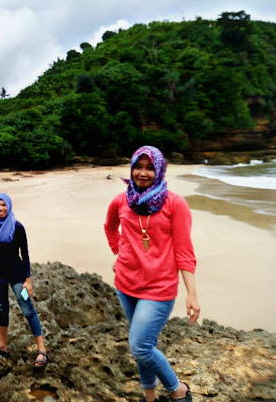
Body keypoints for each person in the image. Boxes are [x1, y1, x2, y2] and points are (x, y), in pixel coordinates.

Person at [104, 146, 199, 402]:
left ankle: (178, 390)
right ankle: (149, 396)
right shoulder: (121, 201)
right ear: (131, 168)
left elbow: (184, 251)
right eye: (138, 166)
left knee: (140, 346)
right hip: (125, 284)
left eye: (150, 168)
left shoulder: (175, 204)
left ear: (159, 171)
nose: (142, 173)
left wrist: (191, 293)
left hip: (159, 289)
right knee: (142, 346)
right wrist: (118, 252)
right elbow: (110, 227)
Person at [0, 193, 48, 371]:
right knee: (2, 308)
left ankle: (42, 349)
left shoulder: (18, 227)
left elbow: (25, 254)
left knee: (27, 308)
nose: (1, 208)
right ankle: (2, 345)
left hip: (17, 274)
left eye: (4, 205)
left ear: (9, 206)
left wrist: (28, 280)